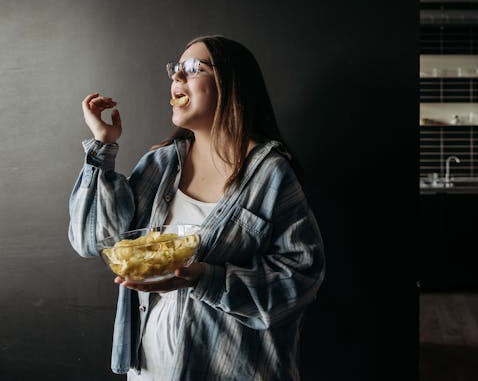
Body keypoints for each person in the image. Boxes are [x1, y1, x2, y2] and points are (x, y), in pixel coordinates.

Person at [68, 35, 325, 380]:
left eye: (193, 69)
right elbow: (94, 240)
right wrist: (102, 145)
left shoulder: (269, 173)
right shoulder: (158, 165)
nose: (177, 78)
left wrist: (207, 279)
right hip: (149, 370)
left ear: (230, 84)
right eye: (175, 70)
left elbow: (301, 278)